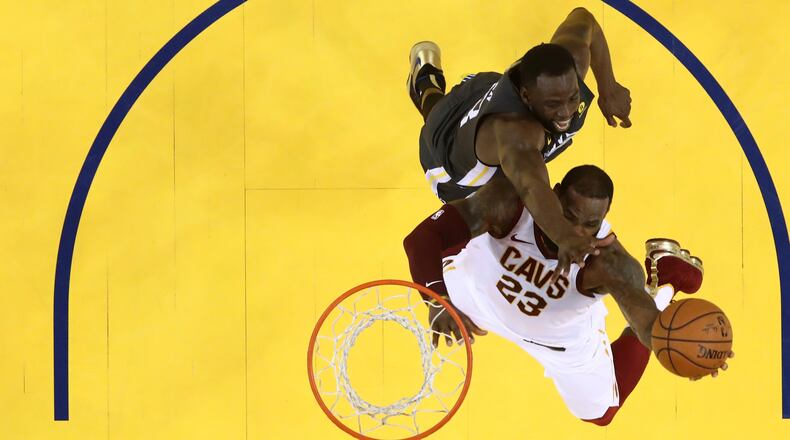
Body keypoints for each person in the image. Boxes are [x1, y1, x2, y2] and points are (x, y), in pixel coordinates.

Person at [402, 166, 731, 425]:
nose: (575, 232)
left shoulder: (611, 265)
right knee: (453, 226)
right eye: (568, 216)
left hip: (558, 338)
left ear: (601, 224)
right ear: (553, 196)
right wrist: (436, 299)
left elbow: (648, 328)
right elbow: (422, 239)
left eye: (590, 224)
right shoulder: (512, 203)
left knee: (600, 415)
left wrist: (683, 350)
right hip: (474, 290)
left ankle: (665, 283)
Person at [407, 7, 632, 278]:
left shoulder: (565, 69)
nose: (565, 113)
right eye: (553, 104)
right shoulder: (517, 134)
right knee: (435, 114)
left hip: (486, 89)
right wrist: (564, 236)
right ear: (526, 96)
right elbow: (530, 185)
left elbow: (585, 21)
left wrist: (608, 88)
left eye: (572, 98)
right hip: (448, 153)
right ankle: (425, 82)